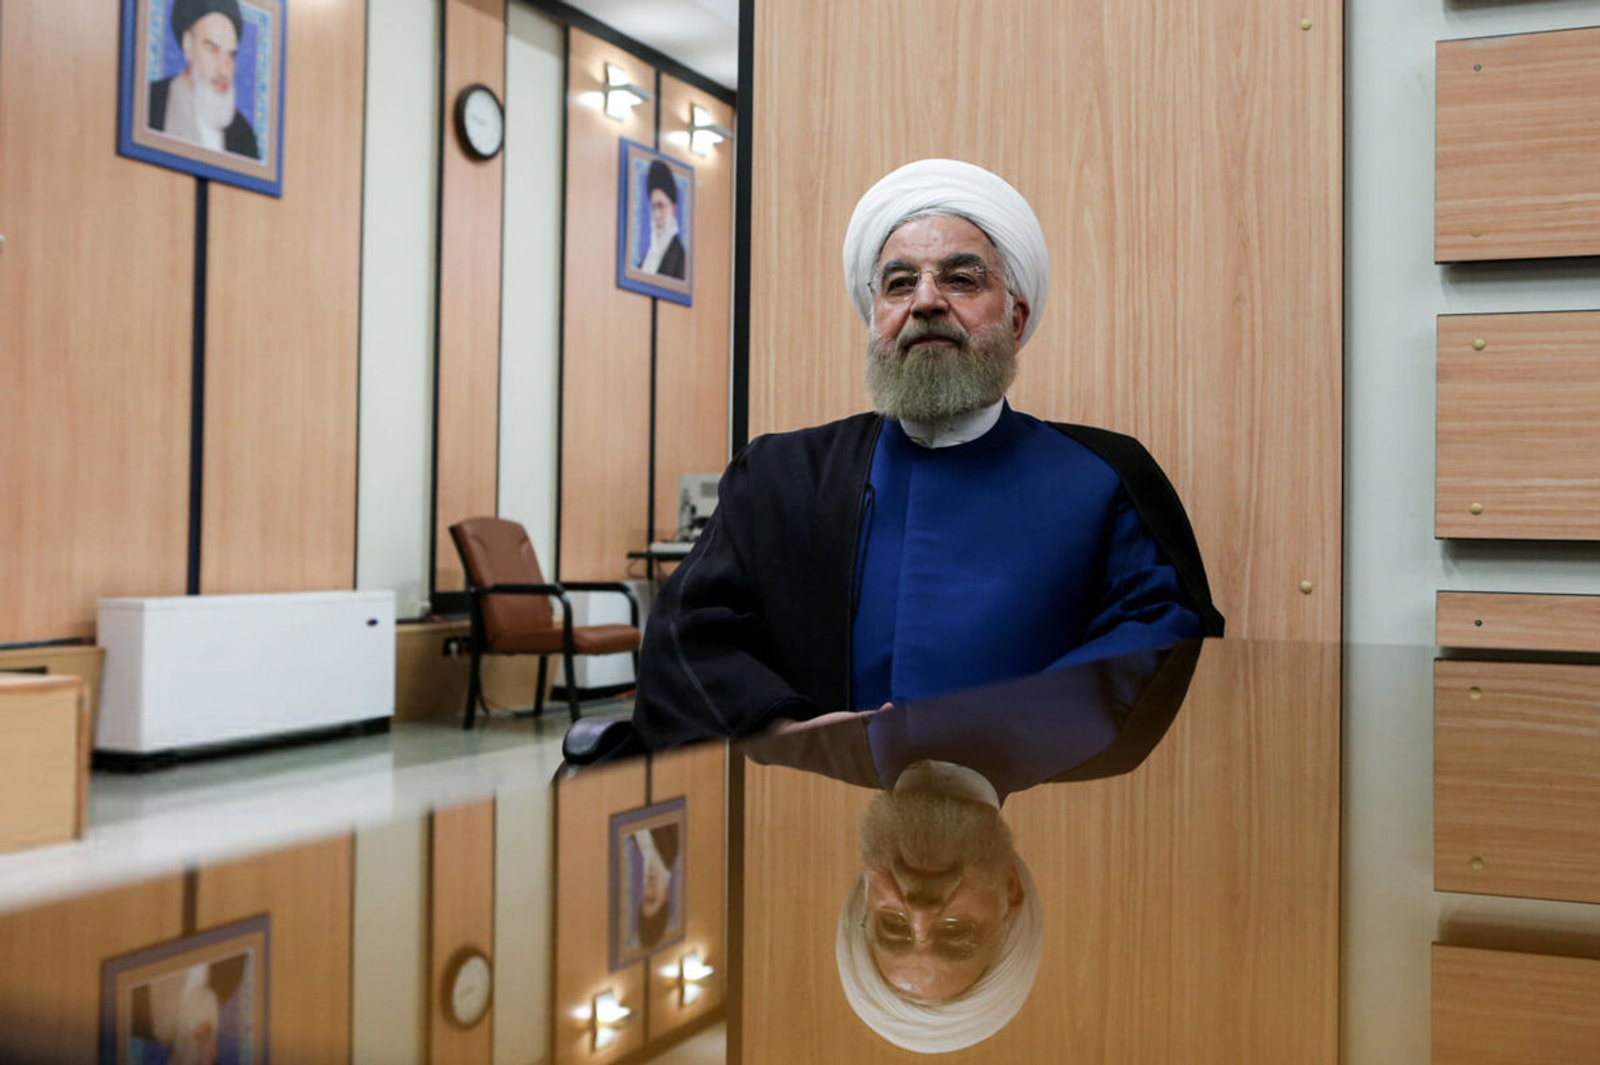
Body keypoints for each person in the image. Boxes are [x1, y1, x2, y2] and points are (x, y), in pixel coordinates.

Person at [633, 159, 1223, 748]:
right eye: (898, 283)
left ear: (1015, 320)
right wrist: (786, 731)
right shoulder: (779, 474)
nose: (925, 301)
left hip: (1034, 795)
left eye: (961, 279)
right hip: (811, 793)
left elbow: (1155, 634)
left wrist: (1009, 733)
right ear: (875, 319)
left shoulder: (1102, 477)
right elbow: (689, 635)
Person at [147, 0, 261, 160]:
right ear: (188, 44)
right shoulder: (148, 102)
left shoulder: (243, 136)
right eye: (212, 49)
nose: (224, 70)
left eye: (231, 54)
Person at [638, 159, 686, 279]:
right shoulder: (648, 258)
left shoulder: (679, 256)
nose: (656, 216)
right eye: (653, 207)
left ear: (673, 209)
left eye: (661, 206)